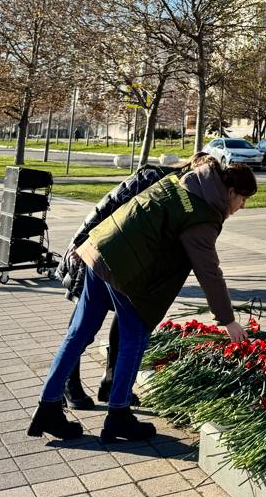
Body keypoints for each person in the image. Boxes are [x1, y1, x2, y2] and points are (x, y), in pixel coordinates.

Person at [28, 156, 254, 443]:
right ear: (231, 192)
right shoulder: (203, 215)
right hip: (124, 268)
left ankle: (48, 406)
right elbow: (209, 271)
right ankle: (119, 415)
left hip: (98, 250)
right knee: (135, 338)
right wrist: (228, 320)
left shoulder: (183, 181)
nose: (241, 207)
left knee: (78, 333)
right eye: (243, 200)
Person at [56, 158, 178, 409]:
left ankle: (111, 382)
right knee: (81, 326)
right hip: (95, 252)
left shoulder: (184, 194)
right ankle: (69, 384)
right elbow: (107, 206)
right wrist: (81, 243)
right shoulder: (155, 180)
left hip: (130, 264)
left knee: (125, 316)